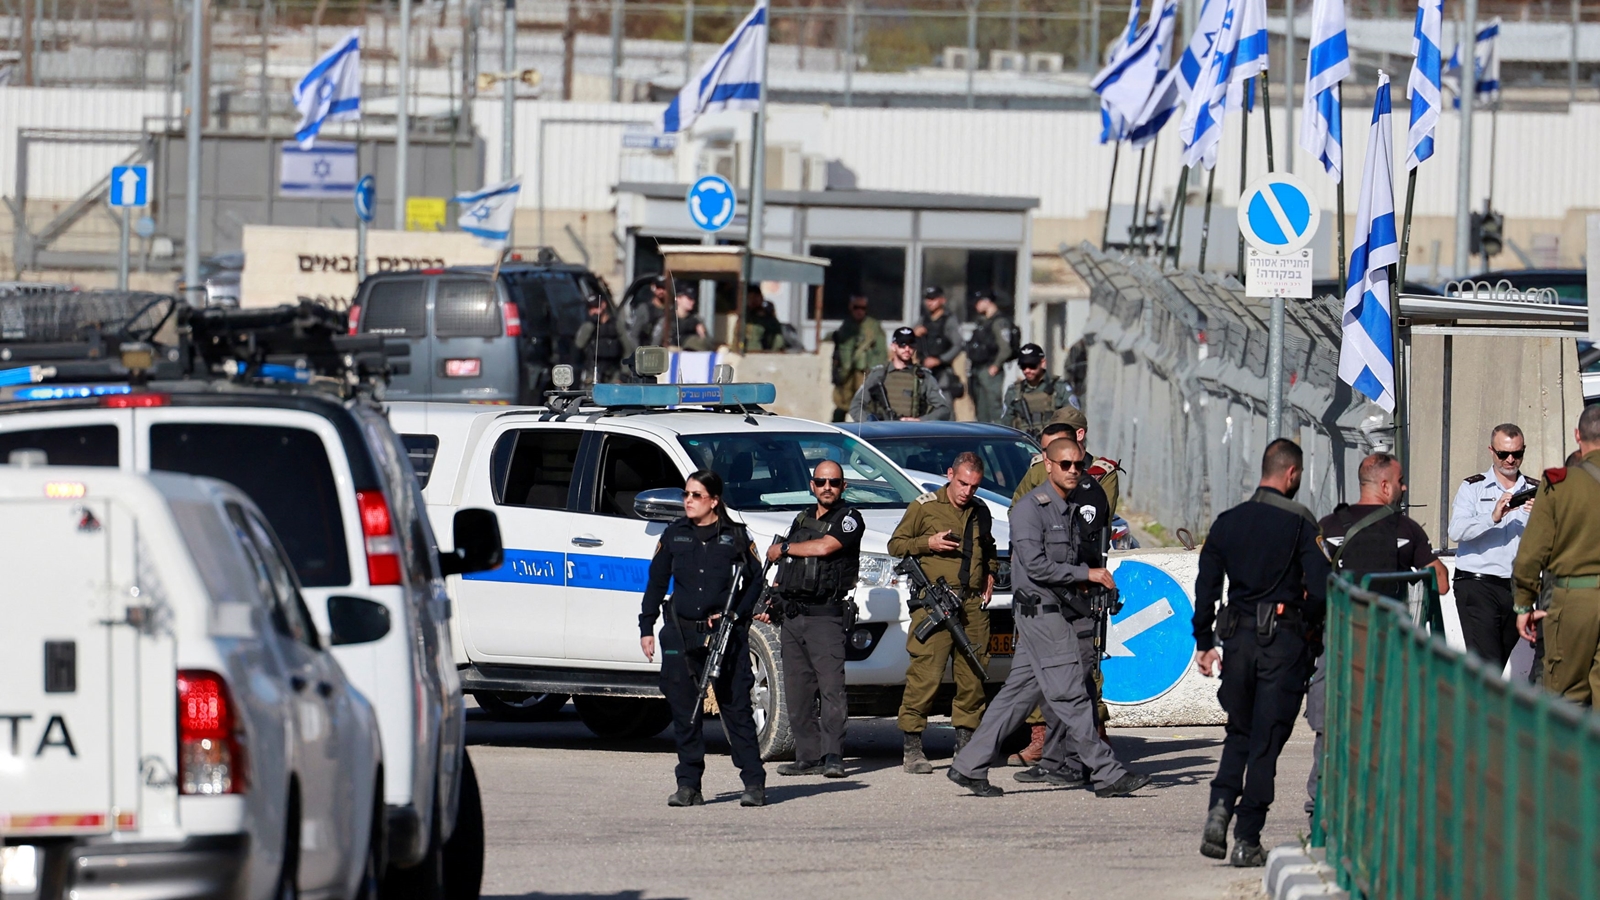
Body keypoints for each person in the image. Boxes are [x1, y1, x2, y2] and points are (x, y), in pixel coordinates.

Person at [947, 437, 1150, 799]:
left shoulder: (1068, 508)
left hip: (1055, 610)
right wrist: (1087, 575)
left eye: (1078, 465)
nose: (1074, 471)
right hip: (1039, 613)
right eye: (1066, 464)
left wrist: (1088, 588)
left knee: (1017, 697)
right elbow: (1037, 565)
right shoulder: (1030, 509)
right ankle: (1107, 773)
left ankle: (968, 766)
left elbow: (1066, 564)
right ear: (1048, 464)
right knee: (1071, 692)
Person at [1192, 439, 1329, 868]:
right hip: (1282, 644)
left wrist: (1203, 643)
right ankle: (1247, 837)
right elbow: (1324, 589)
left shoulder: (1227, 522)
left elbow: (1207, 587)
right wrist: (1307, 618)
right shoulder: (1301, 523)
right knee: (1266, 743)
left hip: (1237, 642)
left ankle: (1219, 808)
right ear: (1291, 475)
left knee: (1239, 732)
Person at [1306, 451, 1449, 818]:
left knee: (1332, 722)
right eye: (1400, 483)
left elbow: (1309, 585)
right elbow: (1442, 583)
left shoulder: (1329, 526)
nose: (1403, 488)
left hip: (1339, 639)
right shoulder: (1405, 530)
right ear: (1385, 486)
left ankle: (1322, 800)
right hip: (1389, 643)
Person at [638, 470, 768, 807]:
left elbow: (755, 581)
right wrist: (646, 626)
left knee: (736, 708)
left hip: (724, 635)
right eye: (686, 494)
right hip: (681, 632)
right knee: (686, 711)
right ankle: (688, 785)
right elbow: (656, 582)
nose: (688, 501)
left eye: (696, 495)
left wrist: (735, 614)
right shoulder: (674, 535)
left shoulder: (736, 537)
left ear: (714, 500)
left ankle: (753, 782)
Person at [888, 452, 997, 773]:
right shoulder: (924, 507)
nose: (967, 491)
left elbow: (988, 547)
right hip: (934, 603)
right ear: (950, 474)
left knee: (973, 675)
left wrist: (989, 571)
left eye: (974, 486)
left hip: (971, 605)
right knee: (926, 676)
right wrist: (928, 543)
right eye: (962, 483)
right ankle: (912, 747)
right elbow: (896, 544)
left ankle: (965, 744)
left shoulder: (980, 511)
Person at [757, 460, 864, 778]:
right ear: (812, 485)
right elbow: (786, 570)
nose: (827, 487)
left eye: (833, 482)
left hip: (825, 615)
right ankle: (808, 755)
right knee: (797, 689)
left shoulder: (849, 519)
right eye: (821, 482)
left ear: (843, 486)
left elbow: (826, 547)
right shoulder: (802, 517)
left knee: (831, 689)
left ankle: (833, 756)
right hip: (793, 615)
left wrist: (785, 547)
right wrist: (773, 600)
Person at [1514, 405, 1600, 705]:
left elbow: (1531, 553)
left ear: (1578, 435)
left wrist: (1523, 604)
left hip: (1573, 602)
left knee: (1566, 698)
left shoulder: (1559, 483)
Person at [1448, 423, 1537, 670]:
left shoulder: (1536, 490)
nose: (1510, 460)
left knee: (1494, 666)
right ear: (1491, 451)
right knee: (1486, 665)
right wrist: (1492, 516)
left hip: (1517, 587)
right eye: (1503, 454)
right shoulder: (1472, 488)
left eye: (1517, 454)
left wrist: (1543, 518)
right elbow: (1456, 531)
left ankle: (1470, 708)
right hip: (1478, 584)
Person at [1012, 405, 1122, 517]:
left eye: (1061, 434)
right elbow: (1016, 509)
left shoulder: (1102, 474)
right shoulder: (1041, 466)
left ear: (1079, 435)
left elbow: (1102, 520)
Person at [849, 327, 952, 422]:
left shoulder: (923, 377)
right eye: (902, 344)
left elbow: (944, 410)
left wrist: (920, 421)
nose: (907, 349)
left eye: (911, 344)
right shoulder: (879, 374)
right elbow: (856, 406)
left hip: (911, 434)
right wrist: (871, 423)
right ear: (893, 347)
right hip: (882, 433)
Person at [828, 294, 888, 422]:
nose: (859, 311)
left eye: (863, 308)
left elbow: (881, 352)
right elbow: (841, 348)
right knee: (841, 405)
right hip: (847, 374)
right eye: (856, 307)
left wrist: (875, 372)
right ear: (851, 308)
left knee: (865, 406)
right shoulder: (847, 325)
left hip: (865, 372)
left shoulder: (873, 326)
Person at [1003, 344, 1080, 440]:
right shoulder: (1014, 392)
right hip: (1023, 445)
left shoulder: (1059, 387)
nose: (1027, 370)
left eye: (1032, 365)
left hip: (1056, 444)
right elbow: (1004, 425)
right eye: (1023, 366)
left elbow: (1075, 419)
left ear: (1043, 363)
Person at [965, 292, 1016, 424]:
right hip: (978, 369)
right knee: (981, 410)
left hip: (989, 370)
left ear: (987, 301)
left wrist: (996, 365)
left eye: (978, 302)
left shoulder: (999, 322)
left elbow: (1005, 348)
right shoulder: (983, 322)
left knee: (994, 408)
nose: (976, 306)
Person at [913, 286, 964, 401]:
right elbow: (906, 338)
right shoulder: (923, 320)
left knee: (943, 402)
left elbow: (958, 345)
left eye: (933, 299)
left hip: (943, 370)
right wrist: (914, 334)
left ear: (942, 300)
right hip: (924, 368)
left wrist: (940, 359)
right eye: (927, 299)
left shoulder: (949, 320)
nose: (929, 303)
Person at [574, 296, 636, 384]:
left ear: (603, 305)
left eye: (596, 307)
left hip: (614, 372)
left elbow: (628, 349)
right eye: (590, 308)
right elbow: (578, 345)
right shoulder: (588, 326)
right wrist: (590, 326)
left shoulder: (616, 325)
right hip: (593, 373)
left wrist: (624, 373)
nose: (593, 311)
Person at [655, 282, 712, 351]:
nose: (692, 302)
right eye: (689, 298)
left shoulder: (696, 320)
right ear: (678, 299)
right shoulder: (667, 318)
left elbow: (708, 345)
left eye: (693, 299)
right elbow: (655, 342)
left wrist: (703, 335)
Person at [743, 287, 787, 352]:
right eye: (750, 298)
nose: (753, 301)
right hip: (744, 352)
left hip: (761, 353)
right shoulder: (744, 317)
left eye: (755, 297)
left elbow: (778, 340)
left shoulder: (769, 320)